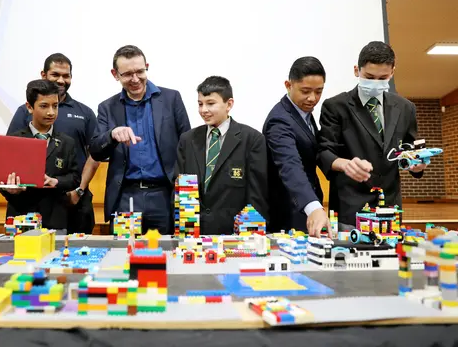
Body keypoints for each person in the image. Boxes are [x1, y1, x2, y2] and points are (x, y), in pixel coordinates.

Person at [319, 41, 425, 230]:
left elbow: (408, 150)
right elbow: (324, 152)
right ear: (356, 70)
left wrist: (415, 165)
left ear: (392, 72)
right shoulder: (336, 106)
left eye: (383, 77)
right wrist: (345, 164)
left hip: (390, 209)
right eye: (369, 77)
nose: (375, 83)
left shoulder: (406, 108)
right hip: (350, 211)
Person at [89, 45, 191, 235]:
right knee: (122, 256)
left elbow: (188, 147)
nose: (135, 79)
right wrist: (111, 135)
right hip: (125, 197)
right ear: (115, 74)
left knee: (166, 255)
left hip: (164, 195)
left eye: (140, 72)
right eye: (127, 74)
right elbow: (95, 150)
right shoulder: (107, 107)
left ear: (147, 67)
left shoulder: (171, 98)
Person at [7, 53, 99, 234]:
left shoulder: (85, 113)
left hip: (71, 201)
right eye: (55, 75)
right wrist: (12, 189)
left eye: (66, 76)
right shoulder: (22, 113)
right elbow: (10, 157)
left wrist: (78, 191)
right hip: (28, 206)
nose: (61, 80)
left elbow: (94, 155)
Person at [176, 76, 269, 235]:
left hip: (234, 234)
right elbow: (179, 188)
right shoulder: (187, 140)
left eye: (210, 103)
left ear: (229, 104)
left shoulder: (252, 140)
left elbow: (256, 196)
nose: (204, 110)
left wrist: (248, 236)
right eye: (200, 104)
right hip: (194, 233)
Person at [263, 57, 331, 237]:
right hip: (290, 213)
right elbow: (290, 165)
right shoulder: (279, 120)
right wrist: (313, 206)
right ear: (288, 85)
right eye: (305, 91)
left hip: (303, 211)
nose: (312, 98)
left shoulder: (303, 113)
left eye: (319, 92)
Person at [0, 79, 80, 231]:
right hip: (20, 217)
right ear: (29, 107)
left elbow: (75, 178)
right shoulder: (14, 140)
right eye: (44, 106)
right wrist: (10, 188)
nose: (51, 112)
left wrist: (55, 181)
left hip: (55, 219)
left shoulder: (66, 142)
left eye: (55, 106)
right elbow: (1, 179)